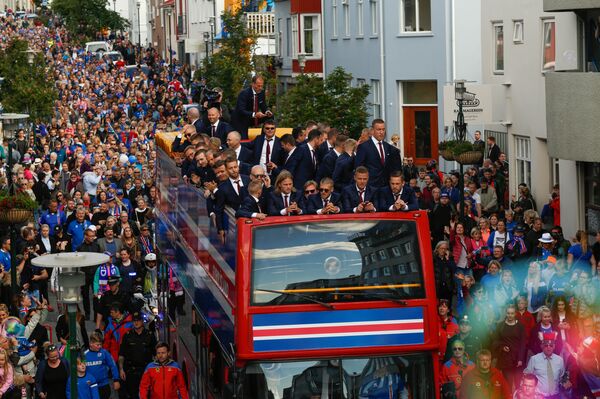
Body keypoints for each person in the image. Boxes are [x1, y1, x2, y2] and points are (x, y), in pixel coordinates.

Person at [118, 312, 157, 399]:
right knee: (133, 395)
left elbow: (156, 354)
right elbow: (121, 355)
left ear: (142, 321)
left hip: (146, 371)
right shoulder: (127, 336)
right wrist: (121, 369)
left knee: (147, 394)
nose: (136, 322)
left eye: (138, 320)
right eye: (134, 320)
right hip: (131, 371)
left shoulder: (150, 335)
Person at [354, 119, 402, 187]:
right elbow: (359, 168)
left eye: (383, 129)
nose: (381, 132)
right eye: (379, 129)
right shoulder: (364, 147)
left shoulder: (390, 148)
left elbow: (396, 169)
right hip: (371, 187)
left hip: (387, 188)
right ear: (373, 130)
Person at [492, 304, 526, 390]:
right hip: (505, 359)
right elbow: (495, 341)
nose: (510, 315)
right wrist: (502, 347)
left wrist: (520, 359)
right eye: (508, 313)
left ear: (515, 314)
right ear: (506, 313)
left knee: (518, 385)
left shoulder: (520, 326)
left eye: (512, 313)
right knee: (508, 384)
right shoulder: (500, 326)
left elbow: (523, 344)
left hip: (518, 359)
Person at [84, 332, 120, 399]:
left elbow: (113, 366)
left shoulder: (104, 352)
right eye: (97, 345)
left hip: (103, 385)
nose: (100, 346)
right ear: (91, 344)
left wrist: (116, 380)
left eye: (100, 344)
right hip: (90, 386)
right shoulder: (84, 355)